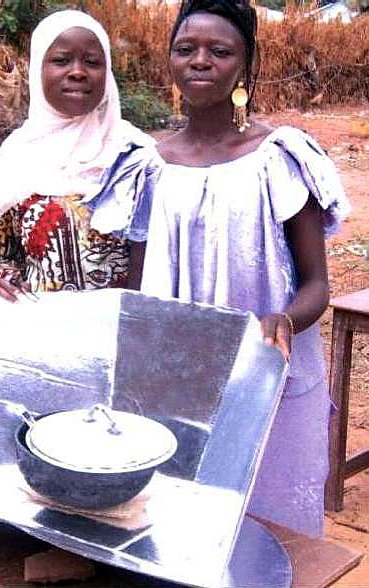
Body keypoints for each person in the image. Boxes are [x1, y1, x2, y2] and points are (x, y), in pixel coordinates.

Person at [140, 0, 350, 537]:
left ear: (244, 67)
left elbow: (316, 284)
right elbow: (137, 289)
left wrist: (284, 319)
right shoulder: (148, 166)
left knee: (269, 532)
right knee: (183, 526)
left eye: (220, 51)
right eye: (186, 49)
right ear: (169, 63)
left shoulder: (278, 157)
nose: (200, 61)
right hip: (178, 378)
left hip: (266, 371)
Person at [0, 9, 159, 302]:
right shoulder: (16, 157)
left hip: (125, 333)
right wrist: (0, 281)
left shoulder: (136, 154)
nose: (77, 71)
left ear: (107, 73)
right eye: (61, 60)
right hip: (42, 335)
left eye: (92, 62)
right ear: (38, 70)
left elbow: (164, 256)